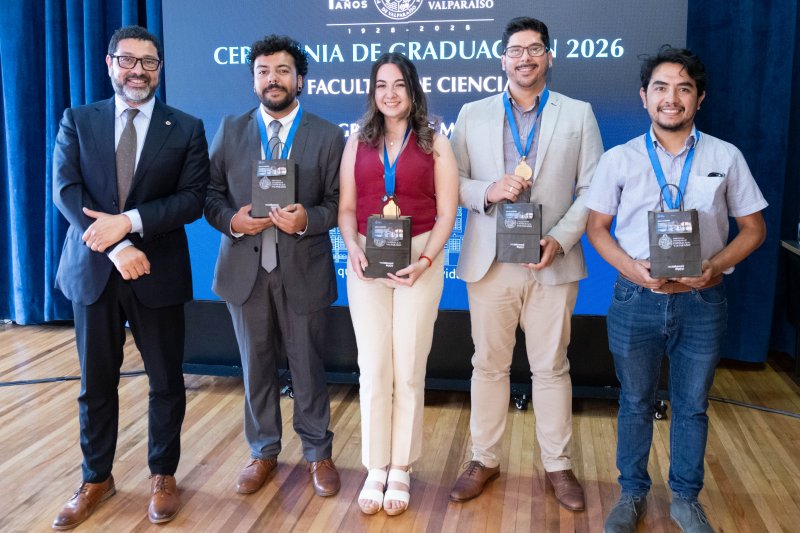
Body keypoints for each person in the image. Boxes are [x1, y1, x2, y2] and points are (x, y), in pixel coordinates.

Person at [585, 47, 767, 533]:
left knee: (692, 406)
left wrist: (714, 266)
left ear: (699, 98)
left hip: (702, 300)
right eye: (661, 88)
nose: (672, 98)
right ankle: (632, 494)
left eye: (684, 88)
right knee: (634, 401)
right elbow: (597, 228)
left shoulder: (725, 156)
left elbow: (754, 229)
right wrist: (631, 269)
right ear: (644, 97)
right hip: (635, 299)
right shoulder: (619, 158)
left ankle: (686, 499)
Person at [51, 25, 210, 529]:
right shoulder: (78, 119)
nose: (138, 70)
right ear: (110, 64)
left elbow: (191, 199)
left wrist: (131, 222)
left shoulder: (186, 127)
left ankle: (163, 475)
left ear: (160, 69)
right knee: (95, 383)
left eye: (149, 62)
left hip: (158, 272)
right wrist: (117, 245)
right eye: (128, 60)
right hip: (95, 270)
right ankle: (96, 478)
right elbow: (66, 191)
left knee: (166, 381)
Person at [449, 16, 603, 511]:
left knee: (552, 367)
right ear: (503, 59)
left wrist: (559, 239)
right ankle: (484, 459)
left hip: (550, 261)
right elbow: (452, 181)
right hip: (490, 261)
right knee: (488, 365)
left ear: (549, 56)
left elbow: (593, 188)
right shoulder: (472, 113)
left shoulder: (578, 114)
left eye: (535, 49)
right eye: (516, 50)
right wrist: (488, 190)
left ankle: (558, 465)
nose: (525, 58)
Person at [204, 35, 344, 499]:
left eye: (283, 70)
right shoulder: (231, 129)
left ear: (299, 79)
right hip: (244, 273)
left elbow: (337, 203)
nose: (273, 79)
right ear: (254, 81)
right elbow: (209, 196)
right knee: (255, 367)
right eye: (263, 71)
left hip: (303, 269)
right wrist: (233, 221)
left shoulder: (328, 135)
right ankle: (262, 451)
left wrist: (308, 220)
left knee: (308, 367)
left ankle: (318, 452)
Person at [338, 52, 458, 516]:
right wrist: (351, 246)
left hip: (419, 258)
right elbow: (347, 209)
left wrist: (425, 260)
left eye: (399, 85)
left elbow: (447, 212)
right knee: (373, 366)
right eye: (381, 85)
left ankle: (402, 466)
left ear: (413, 90)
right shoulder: (357, 142)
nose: (390, 94)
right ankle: (376, 466)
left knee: (408, 366)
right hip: (367, 257)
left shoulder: (435, 141)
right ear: (372, 93)